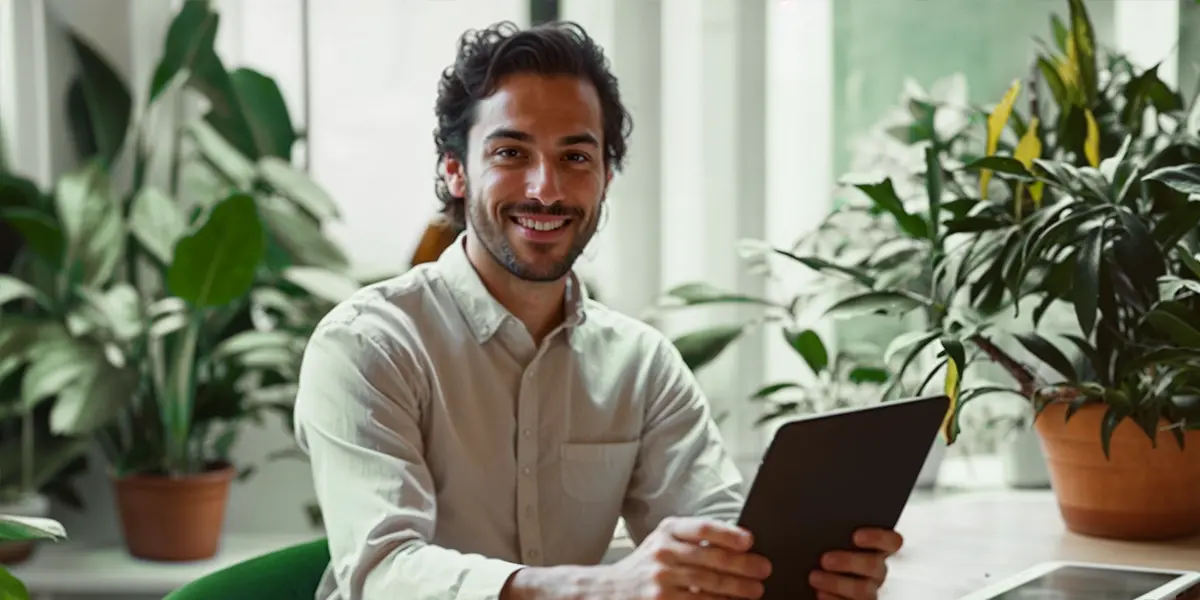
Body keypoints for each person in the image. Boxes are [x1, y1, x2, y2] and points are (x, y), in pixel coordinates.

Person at [292, 20, 903, 600]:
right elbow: (382, 574)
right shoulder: (368, 345)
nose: (546, 189)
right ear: (456, 171)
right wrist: (604, 587)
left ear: (607, 176)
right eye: (511, 153)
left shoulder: (640, 365)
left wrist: (801, 575)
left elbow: (718, 542)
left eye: (575, 157)